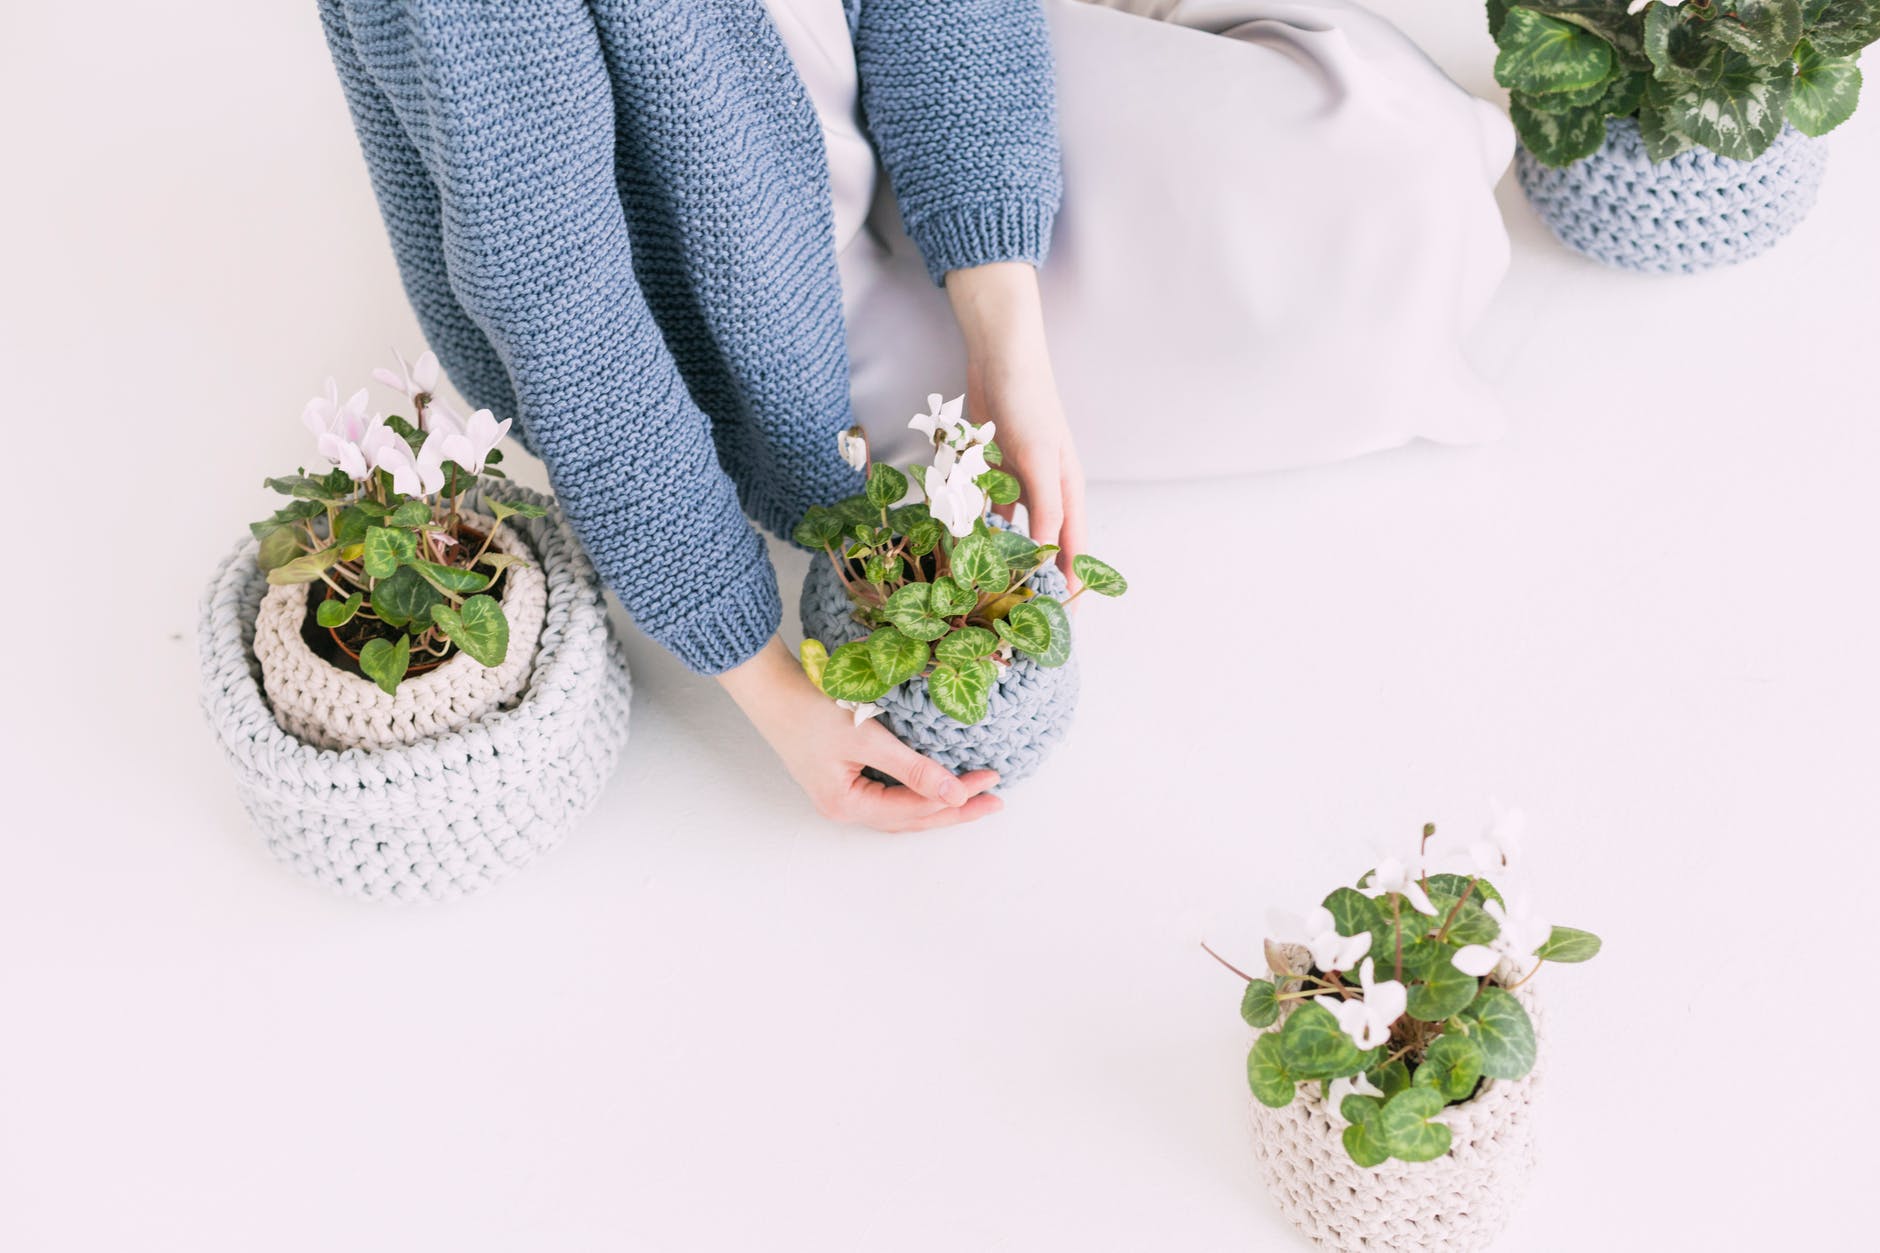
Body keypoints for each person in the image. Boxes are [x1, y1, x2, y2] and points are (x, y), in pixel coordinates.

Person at [319, 0, 1510, 832]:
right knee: (1357, 301)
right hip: (752, 327)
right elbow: (564, 305)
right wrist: (767, 686)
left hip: (897, 106)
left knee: (1394, 161)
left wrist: (1009, 338)